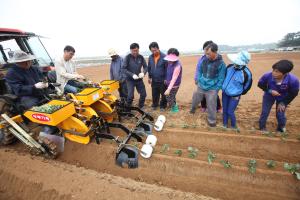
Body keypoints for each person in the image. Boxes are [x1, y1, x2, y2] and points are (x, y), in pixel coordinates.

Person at [258, 60, 299, 133]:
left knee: (280, 114)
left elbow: (294, 93)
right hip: (269, 95)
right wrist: (270, 91)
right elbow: (260, 84)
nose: (273, 73)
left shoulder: (293, 80)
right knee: (265, 112)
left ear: (285, 73)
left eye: (277, 71)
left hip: (283, 98)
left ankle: (280, 129)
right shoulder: (267, 75)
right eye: (273, 70)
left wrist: (284, 103)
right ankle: (262, 128)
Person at [190, 42, 226, 127]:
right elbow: (199, 70)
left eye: (209, 54)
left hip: (212, 88)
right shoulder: (204, 60)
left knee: (211, 104)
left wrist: (216, 89)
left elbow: (221, 79)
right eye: (206, 54)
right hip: (201, 85)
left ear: (215, 52)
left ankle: (212, 121)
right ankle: (193, 109)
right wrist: (198, 80)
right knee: (196, 97)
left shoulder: (221, 64)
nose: (207, 55)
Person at [222, 51, 252, 129]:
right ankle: (224, 124)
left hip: (235, 96)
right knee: (225, 110)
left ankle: (233, 126)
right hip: (225, 93)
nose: (234, 63)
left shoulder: (246, 73)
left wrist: (239, 92)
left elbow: (247, 86)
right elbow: (225, 77)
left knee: (230, 111)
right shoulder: (229, 67)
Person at [192, 40, 222, 113]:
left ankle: (218, 107)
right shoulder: (202, 58)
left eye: (206, 49)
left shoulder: (217, 59)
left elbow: (219, 71)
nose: (205, 50)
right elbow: (198, 68)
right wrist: (196, 78)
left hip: (212, 82)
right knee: (201, 94)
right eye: (204, 49)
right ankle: (203, 106)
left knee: (214, 95)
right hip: (202, 80)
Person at [123, 43, 147, 109]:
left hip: (139, 79)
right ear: (131, 50)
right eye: (134, 51)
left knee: (143, 94)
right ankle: (128, 109)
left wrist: (143, 73)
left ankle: (141, 106)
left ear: (138, 50)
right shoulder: (127, 58)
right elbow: (123, 69)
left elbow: (145, 67)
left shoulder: (141, 57)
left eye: (137, 50)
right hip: (130, 80)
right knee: (130, 96)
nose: (135, 52)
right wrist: (132, 74)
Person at [148, 42, 167, 111]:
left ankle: (163, 106)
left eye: (155, 50)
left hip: (162, 79)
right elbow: (149, 67)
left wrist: (166, 78)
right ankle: (155, 105)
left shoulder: (164, 57)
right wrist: (149, 77)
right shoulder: (150, 57)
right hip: (154, 79)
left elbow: (166, 68)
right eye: (152, 51)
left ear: (158, 48)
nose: (154, 52)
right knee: (154, 93)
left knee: (163, 94)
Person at [164, 48, 182, 113]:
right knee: (172, 96)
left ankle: (175, 109)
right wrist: (166, 79)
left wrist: (168, 89)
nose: (169, 61)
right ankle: (174, 106)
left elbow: (174, 78)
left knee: (168, 97)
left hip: (174, 85)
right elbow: (168, 72)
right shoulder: (170, 63)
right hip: (169, 83)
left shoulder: (177, 66)